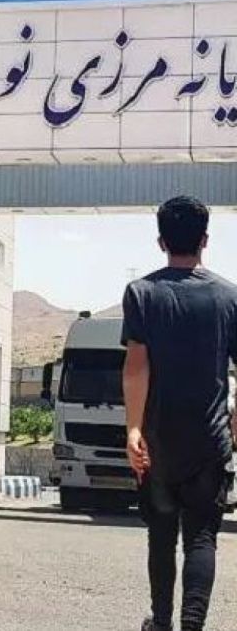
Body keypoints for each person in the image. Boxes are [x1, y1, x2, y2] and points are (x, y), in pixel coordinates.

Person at [122, 195, 237, 631]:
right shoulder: (229, 297)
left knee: (161, 535)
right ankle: (192, 626)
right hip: (210, 439)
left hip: (158, 442)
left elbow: (136, 366)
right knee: (202, 538)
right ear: (205, 240)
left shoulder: (142, 293)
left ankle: (162, 622)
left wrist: (134, 429)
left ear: (161, 241)